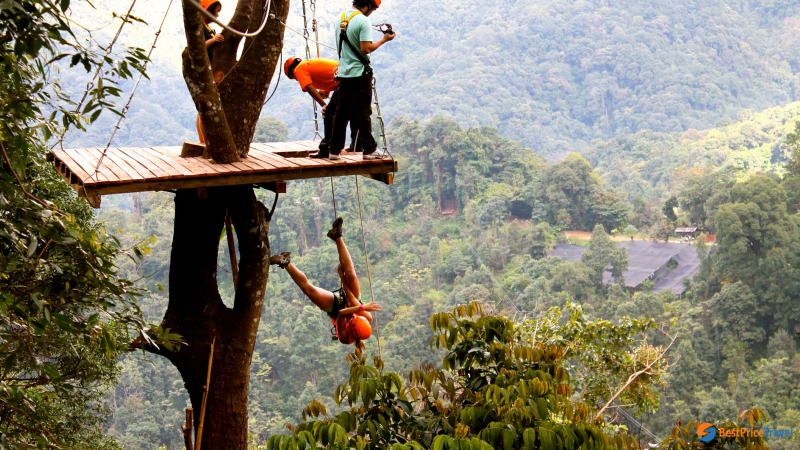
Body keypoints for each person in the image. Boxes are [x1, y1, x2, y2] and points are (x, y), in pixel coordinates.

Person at [270, 218, 380, 345]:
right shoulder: (367, 317)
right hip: (352, 299)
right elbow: (350, 296)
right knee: (351, 273)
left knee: (309, 290)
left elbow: (342, 313)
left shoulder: (346, 338)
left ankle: (285, 262)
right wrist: (342, 277)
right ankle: (337, 235)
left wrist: (361, 307)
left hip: (336, 309)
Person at [328, 0, 395, 160]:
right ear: (369, 5)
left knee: (341, 111)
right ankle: (370, 149)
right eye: (374, 8)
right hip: (360, 72)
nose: (372, 12)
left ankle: (334, 150)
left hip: (344, 71)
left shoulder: (340, 18)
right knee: (363, 111)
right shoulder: (363, 21)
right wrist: (384, 40)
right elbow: (366, 48)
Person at [283, 57, 361, 157]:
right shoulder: (309, 64)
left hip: (345, 82)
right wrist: (326, 91)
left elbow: (309, 87)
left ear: (292, 70)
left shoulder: (299, 69)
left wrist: (324, 105)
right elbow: (328, 75)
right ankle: (357, 145)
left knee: (329, 113)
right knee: (353, 112)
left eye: (294, 77)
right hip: (355, 77)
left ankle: (326, 149)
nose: (297, 79)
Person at [196, 0, 225, 144]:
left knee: (203, 108)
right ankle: (204, 140)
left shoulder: (208, 28)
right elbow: (197, 46)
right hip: (203, 70)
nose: (217, 15)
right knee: (205, 107)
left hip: (211, 69)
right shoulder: (199, 27)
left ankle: (204, 140)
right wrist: (213, 41)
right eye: (216, 11)